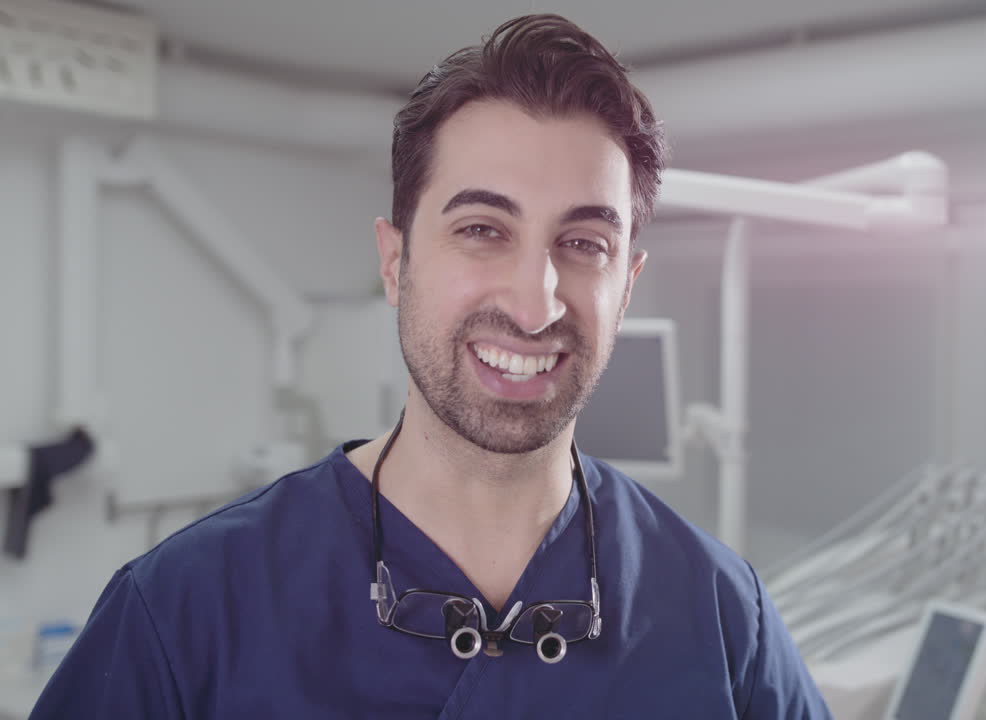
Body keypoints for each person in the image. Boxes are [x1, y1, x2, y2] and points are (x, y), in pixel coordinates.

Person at [31, 14, 832, 719]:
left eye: (585, 243)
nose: (534, 303)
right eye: (483, 229)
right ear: (394, 261)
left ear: (626, 286)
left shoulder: (726, 621)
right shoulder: (187, 612)